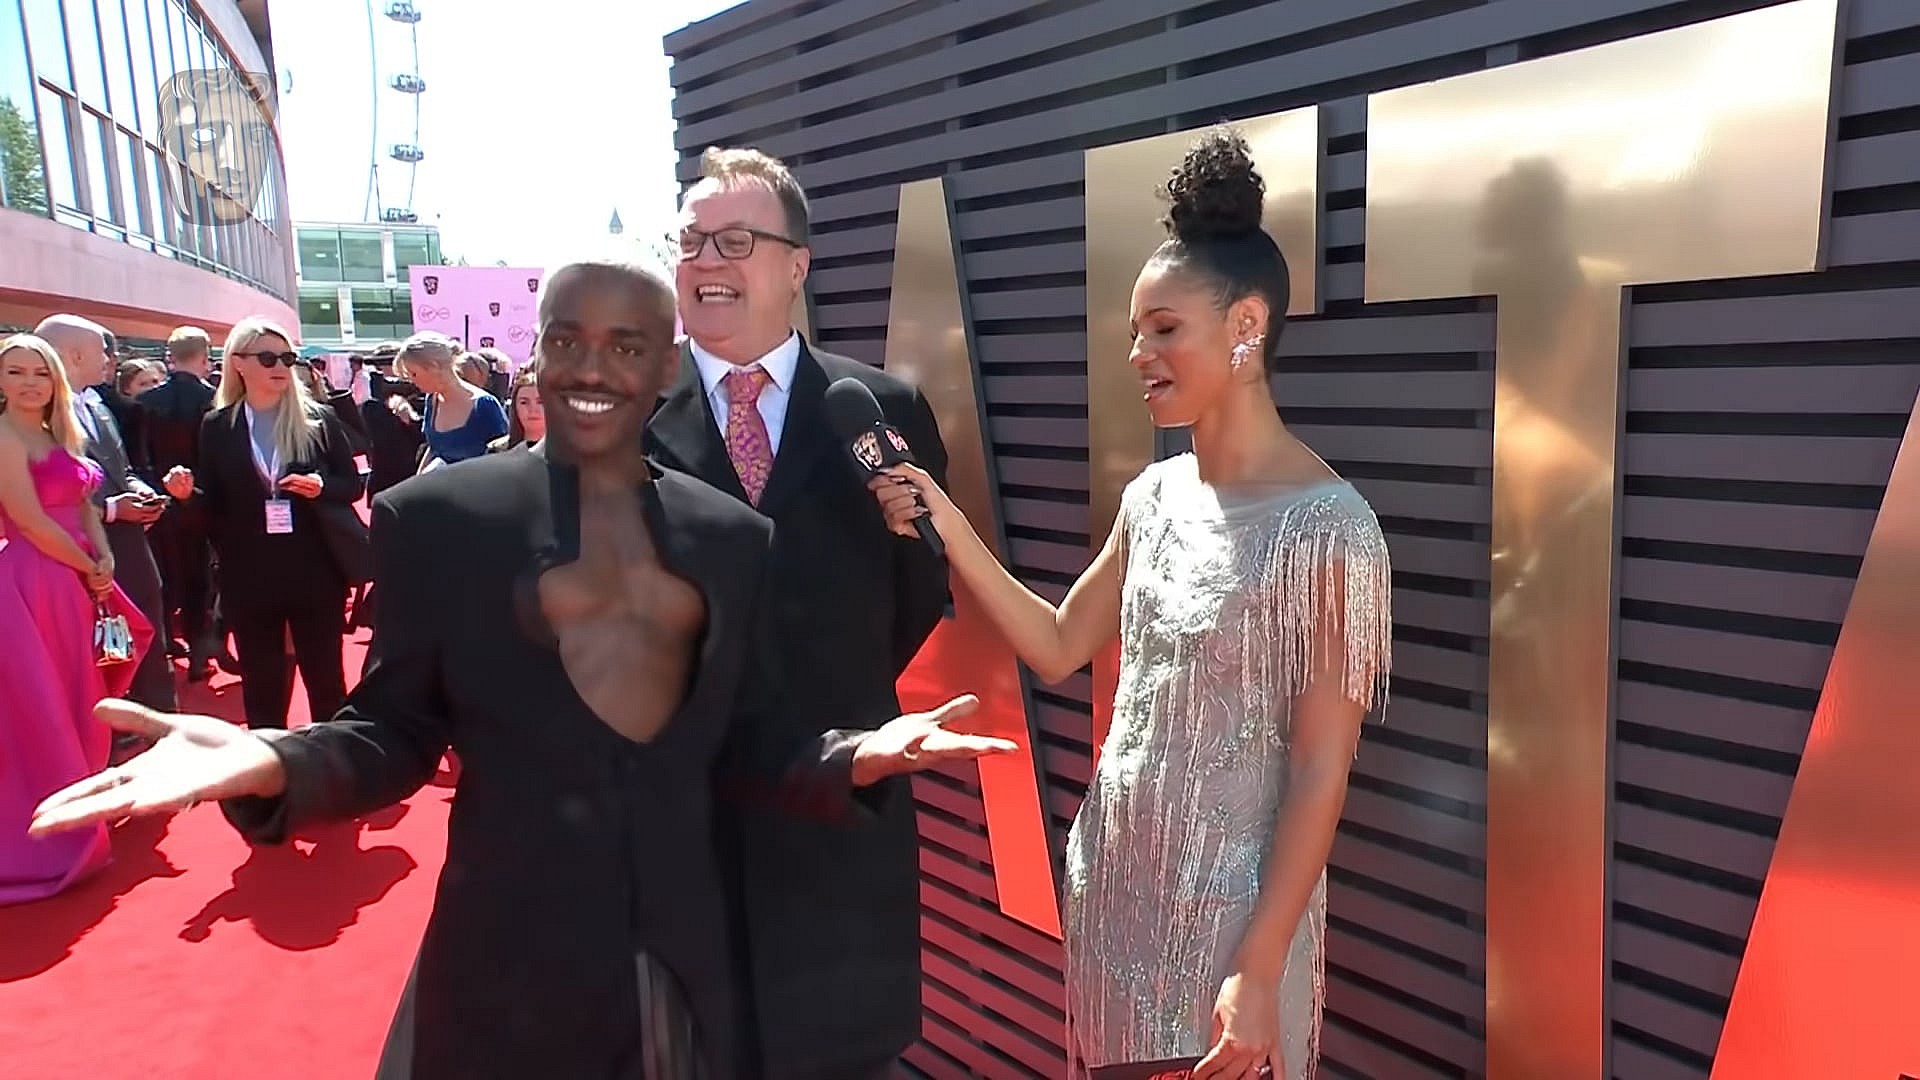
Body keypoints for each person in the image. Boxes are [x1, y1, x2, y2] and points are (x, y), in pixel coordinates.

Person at [31, 260, 1014, 1078]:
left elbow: (748, 739)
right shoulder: (441, 519)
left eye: (626, 345)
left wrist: (848, 756)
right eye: (569, 340)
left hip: (687, 964)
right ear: (536, 356)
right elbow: (394, 729)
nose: (593, 367)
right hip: (510, 949)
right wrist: (277, 760)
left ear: (664, 365)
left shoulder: (731, 537)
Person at [868, 130, 1393, 1079]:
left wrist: (1260, 963)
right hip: (1113, 898)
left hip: (1233, 929)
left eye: (1164, 329)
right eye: (1134, 331)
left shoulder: (1331, 531)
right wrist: (945, 520)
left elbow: (1321, 768)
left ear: (1246, 324)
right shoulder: (1152, 498)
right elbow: (1057, 644)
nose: (1137, 353)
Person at [648, 146, 952, 1079]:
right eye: (691, 241)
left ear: (796, 265)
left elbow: (919, 589)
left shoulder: (880, 409)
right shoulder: (626, 416)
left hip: (838, 828)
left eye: (735, 241)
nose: (707, 261)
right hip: (679, 833)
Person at [0, 334, 154, 904]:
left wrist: (103, 556)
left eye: (40, 372)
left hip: (76, 577)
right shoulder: (3, 436)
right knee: (46, 702)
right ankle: (53, 827)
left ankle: (82, 801)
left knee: (81, 692)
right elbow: (29, 520)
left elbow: (85, 505)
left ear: (54, 380)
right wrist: (89, 566)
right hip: (35, 581)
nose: (29, 383)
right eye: (16, 372)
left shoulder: (55, 432)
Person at [158, 319, 363, 731]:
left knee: (326, 682)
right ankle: (268, 766)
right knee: (262, 687)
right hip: (249, 575)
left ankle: (334, 763)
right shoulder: (219, 425)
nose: (281, 367)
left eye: (287, 358)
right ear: (239, 363)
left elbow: (352, 485)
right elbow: (213, 508)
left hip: (315, 570)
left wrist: (321, 487)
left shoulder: (318, 419)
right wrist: (186, 496)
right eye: (268, 358)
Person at [35, 315, 175, 715]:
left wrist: (140, 490)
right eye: (102, 351)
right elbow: (40, 494)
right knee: (90, 650)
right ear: (75, 355)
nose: (110, 359)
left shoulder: (97, 404)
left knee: (147, 631)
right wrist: (113, 509)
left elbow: (120, 469)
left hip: (129, 548)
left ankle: (159, 719)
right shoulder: (36, 416)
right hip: (73, 552)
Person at [139, 326, 220, 680]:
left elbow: (141, 454)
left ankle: (167, 646)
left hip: (158, 498)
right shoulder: (214, 398)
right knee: (200, 576)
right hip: (202, 498)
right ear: (204, 356)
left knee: (165, 575)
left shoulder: (146, 401)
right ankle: (201, 650)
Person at [396, 332, 509, 471]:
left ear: (434, 366)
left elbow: (504, 455)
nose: (412, 381)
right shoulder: (432, 400)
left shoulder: (484, 405)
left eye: (414, 374)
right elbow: (433, 449)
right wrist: (419, 480)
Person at [487, 363, 544, 453]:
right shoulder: (497, 450)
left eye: (540, 402)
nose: (533, 409)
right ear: (515, 407)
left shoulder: (566, 451)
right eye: (524, 402)